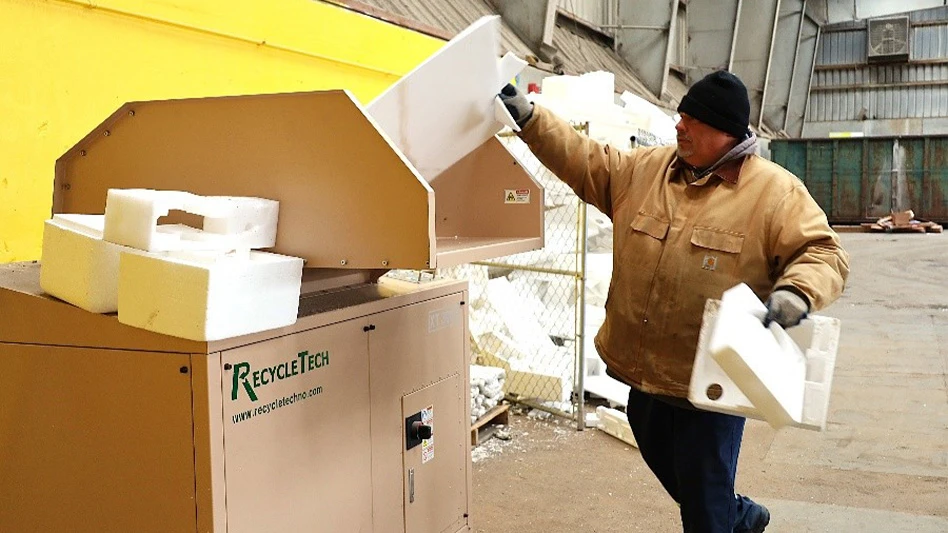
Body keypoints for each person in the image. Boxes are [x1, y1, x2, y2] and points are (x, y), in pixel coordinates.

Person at [499, 71, 849, 533]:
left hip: (713, 379)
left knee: (703, 503)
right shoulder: (646, 172)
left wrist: (796, 291)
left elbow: (823, 251)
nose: (679, 126)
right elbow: (584, 158)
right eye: (679, 116)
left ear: (725, 133)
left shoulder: (773, 193)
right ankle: (740, 515)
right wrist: (529, 116)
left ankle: (726, 517)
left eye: (692, 120)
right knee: (668, 460)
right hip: (646, 370)